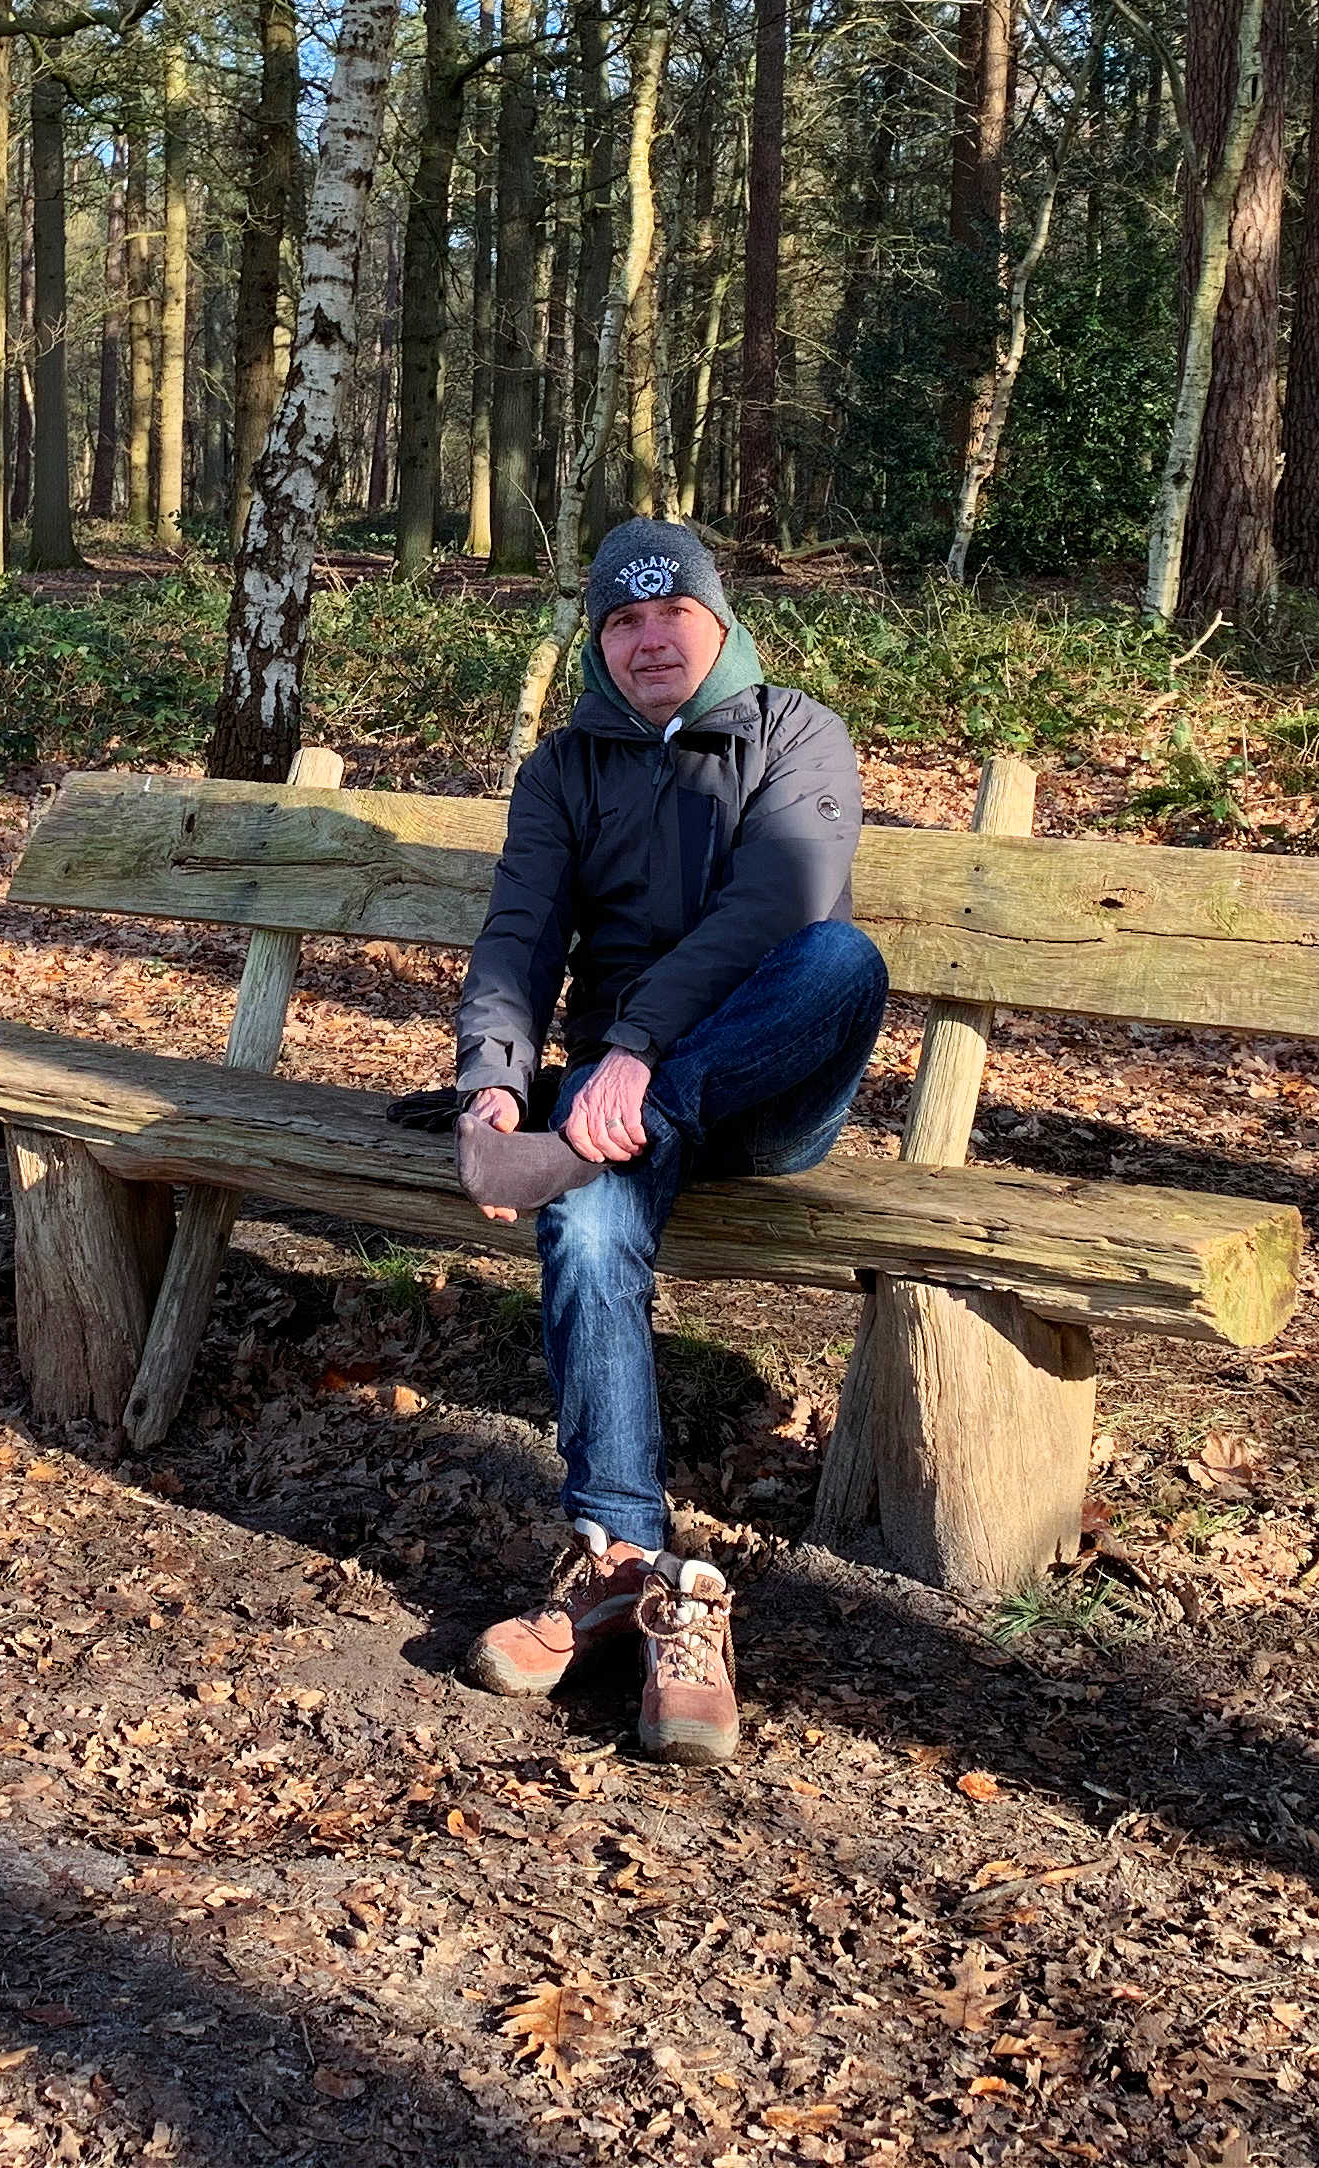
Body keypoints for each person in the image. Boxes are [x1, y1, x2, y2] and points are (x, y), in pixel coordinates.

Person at [448, 518, 884, 1763]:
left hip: (758, 1083)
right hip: (607, 1112)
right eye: (623, 621)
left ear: (719, 622)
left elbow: (778, 905)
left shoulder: (796, 733)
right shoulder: (564, 767)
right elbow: (521, 932)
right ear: (599, 642)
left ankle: (616, 1125)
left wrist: (637, 1056)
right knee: (587, 1234)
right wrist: (493, 1085)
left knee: (841, 959)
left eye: (671, 614)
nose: (649, 640)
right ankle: (622, 1561)